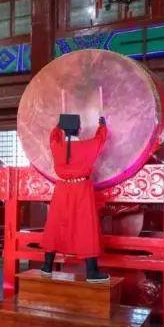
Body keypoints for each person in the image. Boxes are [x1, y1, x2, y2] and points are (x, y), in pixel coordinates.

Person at [40, 114, 109, 282]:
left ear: (63, 130)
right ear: (79, 129)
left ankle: (47, 266)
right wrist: (102, 125)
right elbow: (101, 139)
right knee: (86, 226)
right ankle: (91, 272)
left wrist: (57, 127)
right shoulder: (88, 146)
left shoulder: (56, 146)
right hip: (81, 189)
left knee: (55, 224)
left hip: (62, 189)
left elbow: (53, 136)